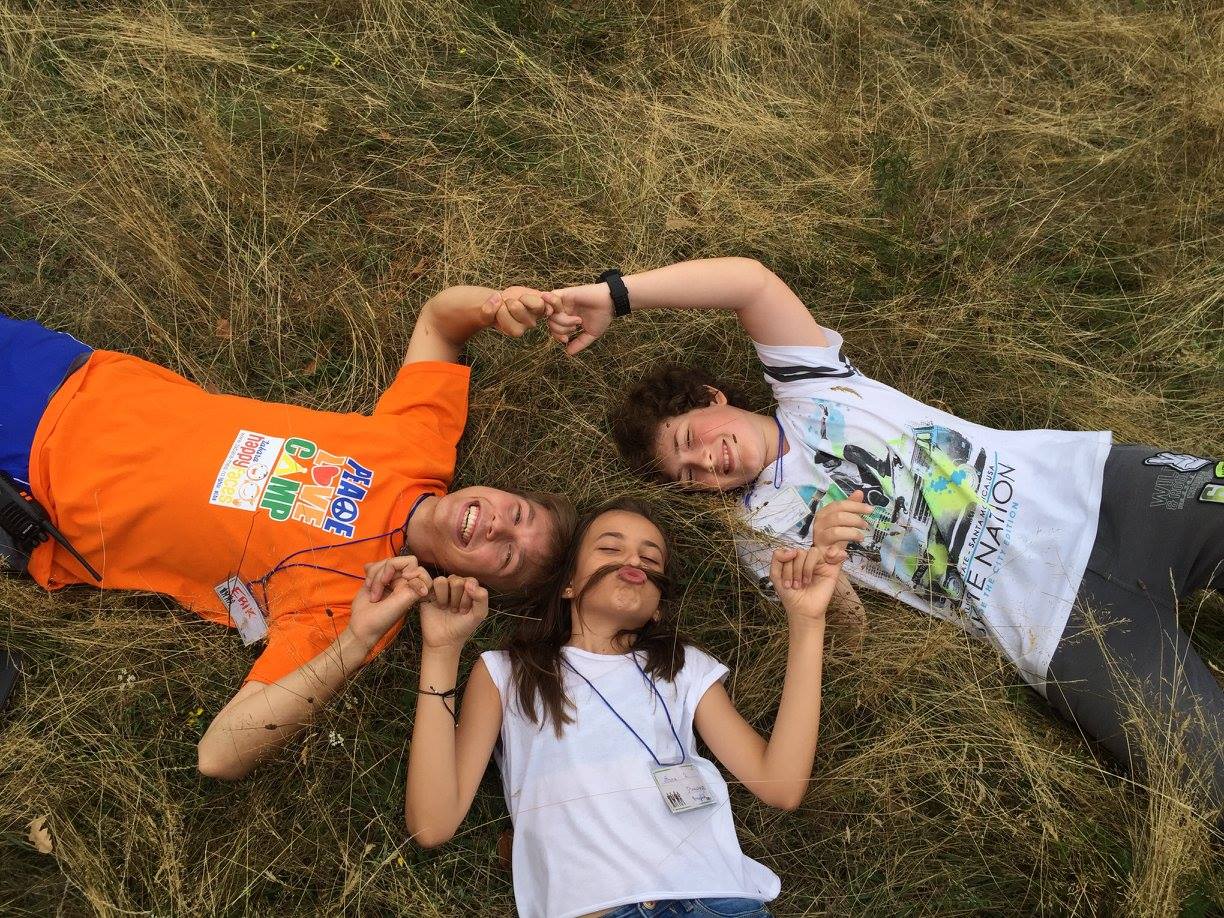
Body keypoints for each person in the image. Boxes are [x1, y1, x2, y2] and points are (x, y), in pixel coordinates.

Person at [501, 257, 1223, 813]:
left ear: (713, 397)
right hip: (1058, 626)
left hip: (1104, 494)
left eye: (693, 438)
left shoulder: (808, 381)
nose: (707, 462)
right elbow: (848, 631)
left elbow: (749, 282)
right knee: (1205, 773)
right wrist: (824, 568)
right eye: (689, 476)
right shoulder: (760, 539)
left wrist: (616, 295)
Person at [0, 285, 575, 780]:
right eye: (519, 515)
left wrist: (355, 641)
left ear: (474, 584)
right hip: (76, 377)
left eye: (507, 556)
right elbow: (439, 321)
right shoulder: (422, 444)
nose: (498, 526)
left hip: (37, 486)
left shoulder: (357, 603)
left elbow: (220, 753)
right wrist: (495, 306)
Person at [401, 497, 839, 918]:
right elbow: (432, 824)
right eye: (610, 549)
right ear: (569, 584)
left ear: (657, 608)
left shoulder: (683, 668)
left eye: (651, 560)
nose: (633, 562)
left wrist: (807, 623)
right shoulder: (508, 673)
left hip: (716, 902)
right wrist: (441, 651)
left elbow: (780, 787)